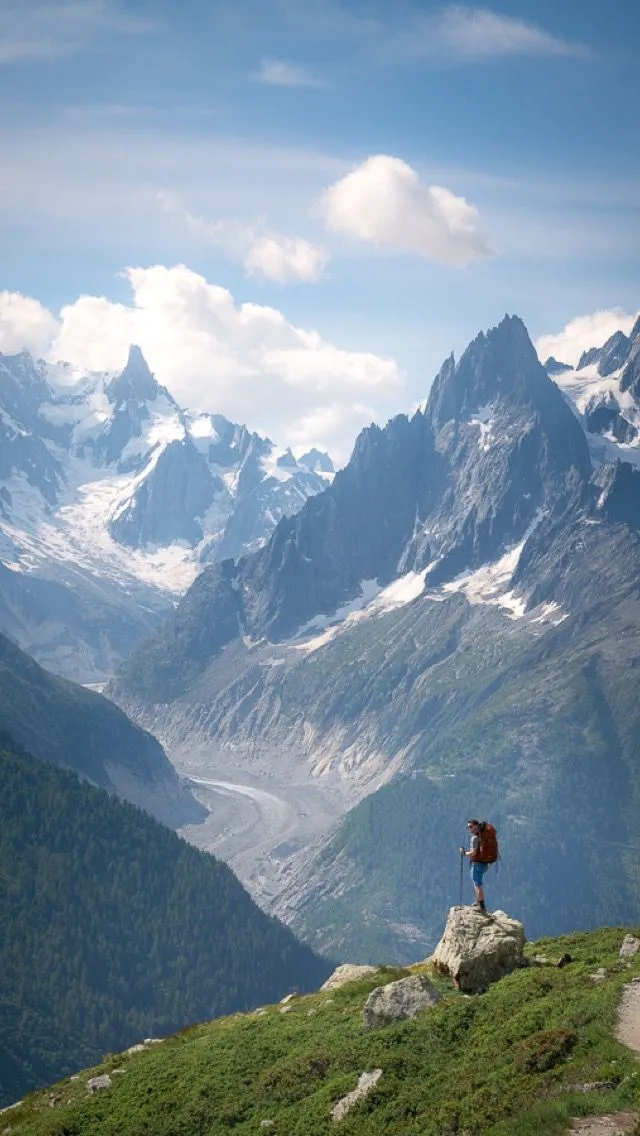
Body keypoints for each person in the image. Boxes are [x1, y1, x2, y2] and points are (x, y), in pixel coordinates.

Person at [459, 819, 491, 913]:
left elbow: (473, 853)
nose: (469, 828)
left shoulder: (474, 838)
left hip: (478, 864)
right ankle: (477, 901)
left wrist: (464, 853)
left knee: (477, 884)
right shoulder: (483, 836)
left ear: (476, 826)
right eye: (468, 827)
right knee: (477, 882)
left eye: (471, 826)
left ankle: (481, 906)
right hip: (485, 863)